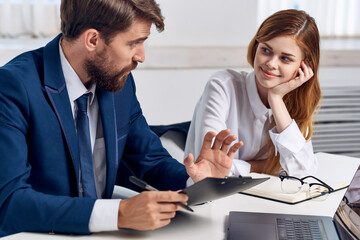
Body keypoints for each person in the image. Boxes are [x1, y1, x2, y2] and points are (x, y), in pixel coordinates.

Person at [0, 0, 243, 237]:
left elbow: (149, 159)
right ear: (92, 40)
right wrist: (118, 214)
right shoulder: (13, 86)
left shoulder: (118, 83)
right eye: (133, 43)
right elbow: (9, 202)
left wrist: (195, 183)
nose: (141, 56)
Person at [185, 9, 321, 178]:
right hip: (213, 196)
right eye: (266, 50)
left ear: (304, 66)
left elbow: (304, 172)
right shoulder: (223, 85)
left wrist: (276, 99)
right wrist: (266, 167)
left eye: (285, 58)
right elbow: (210, 165)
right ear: (256, 46)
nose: (271, 63)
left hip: (265, 197)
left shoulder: (295, 100)